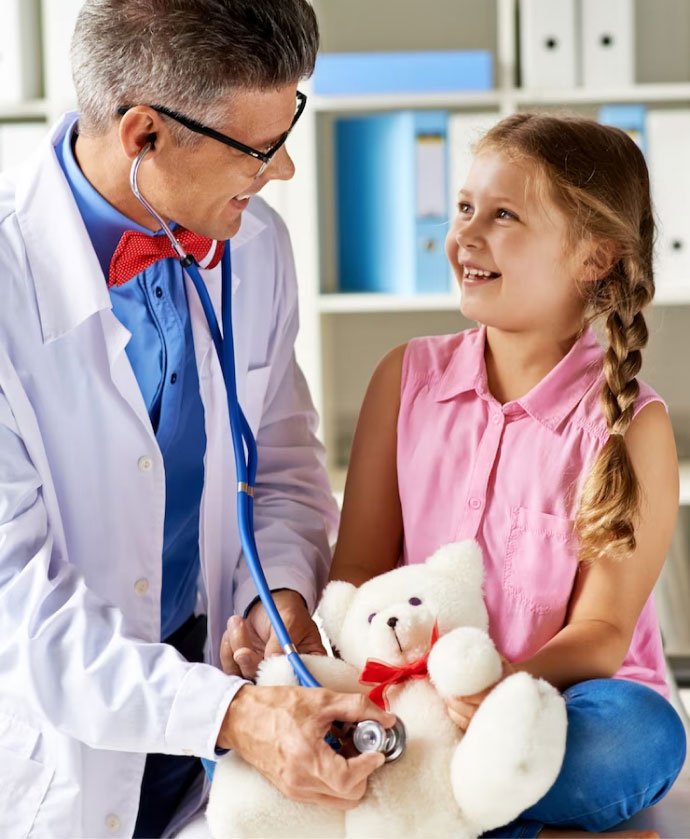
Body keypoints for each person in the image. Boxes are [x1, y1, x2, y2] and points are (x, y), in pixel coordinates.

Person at [0, 1, 396, 837]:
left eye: (291, 126)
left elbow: (281, 461)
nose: (284, 168)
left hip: (214, 711)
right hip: (56, 746)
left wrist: (279, 589)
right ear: (143, 134)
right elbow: (16, 606)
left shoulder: (254, 247)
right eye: (257, 148)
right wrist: (236, 716)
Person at [330, 112, 687, 838]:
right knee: (239, 747)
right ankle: (483, 808)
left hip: (559, 701)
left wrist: (502, 689)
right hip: (415, 699)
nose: (465, 235)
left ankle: (435, 803)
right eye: (464, 208)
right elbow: (359, 574)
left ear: (594, 257)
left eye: (503, 215)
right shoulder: (404, 379)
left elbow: (601, 632)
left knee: (638, 736)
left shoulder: (632, 427)